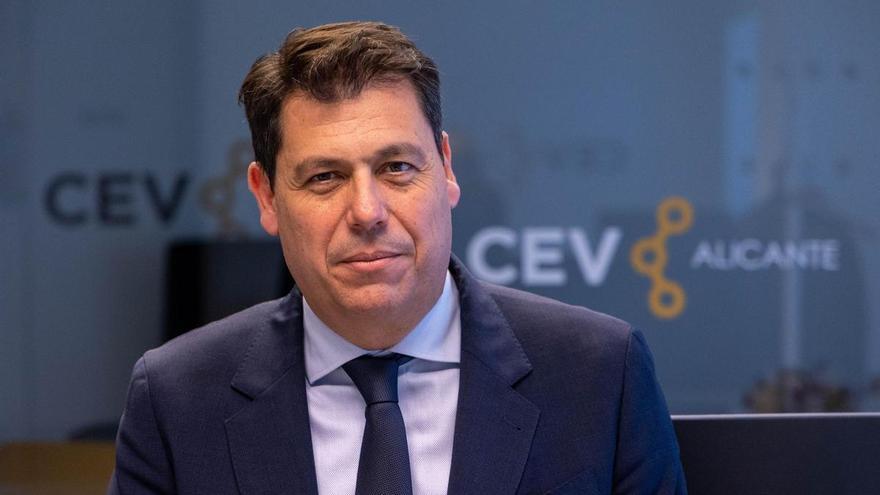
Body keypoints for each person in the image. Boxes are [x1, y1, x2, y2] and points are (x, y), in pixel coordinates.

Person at [110, 21, 685, 494]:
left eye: (397, 168)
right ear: (267, 197)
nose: (367, 211)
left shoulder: (599, 375)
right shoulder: (176, 400)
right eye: (325, 176)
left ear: (446, 169)